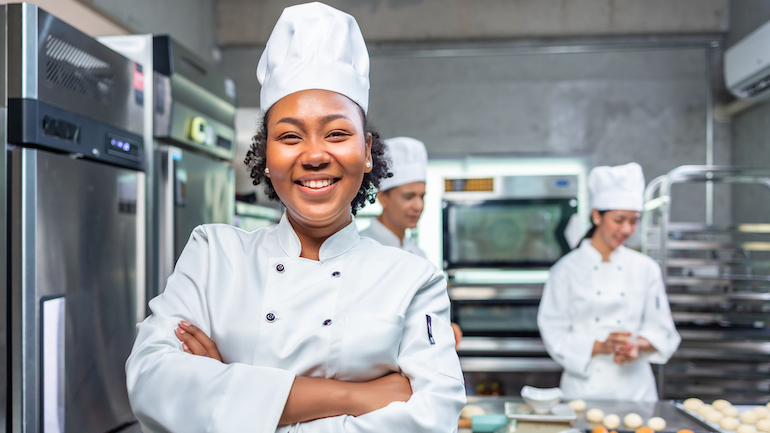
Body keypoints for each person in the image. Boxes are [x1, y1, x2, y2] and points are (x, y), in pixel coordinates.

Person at [125, 3, 466, 432]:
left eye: (337, 133)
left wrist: (231, 399)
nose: (316, 155)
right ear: (266, 158)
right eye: (289, 136)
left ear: (365, 153)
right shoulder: (214, 254)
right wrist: (356, 396)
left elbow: (433, 418)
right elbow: (152, 383)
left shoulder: (414, 279)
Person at [537, 162, 680, 402]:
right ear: (596, 215)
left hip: (636, 392)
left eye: (633, 220)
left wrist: (636, 344)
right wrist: (600, 346)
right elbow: (553, 332)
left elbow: (663, 330)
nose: (627, 229)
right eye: (619, 219)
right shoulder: (565, 270)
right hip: (583, 392)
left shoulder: (645, 269)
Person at [360, 137, 463, 349]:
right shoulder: (362, 250)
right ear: (383, 198)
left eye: (421, 196)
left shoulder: (417, 253)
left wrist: (443, 328)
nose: (418, 206)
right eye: (409, 197)